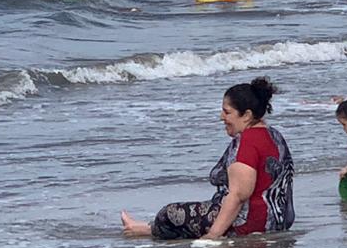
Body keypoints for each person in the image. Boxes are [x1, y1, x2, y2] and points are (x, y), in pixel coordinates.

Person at [120, 78, 294, 239]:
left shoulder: (247, 142)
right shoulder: (274, 136)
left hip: (250, 224)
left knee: (169, 214)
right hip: (279, 221)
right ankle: (143, 228)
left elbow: (239, 195)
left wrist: (213, 235)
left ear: (247, 115)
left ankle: (145, 229)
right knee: (196, 213)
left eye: (227, 112)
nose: (221, 117)